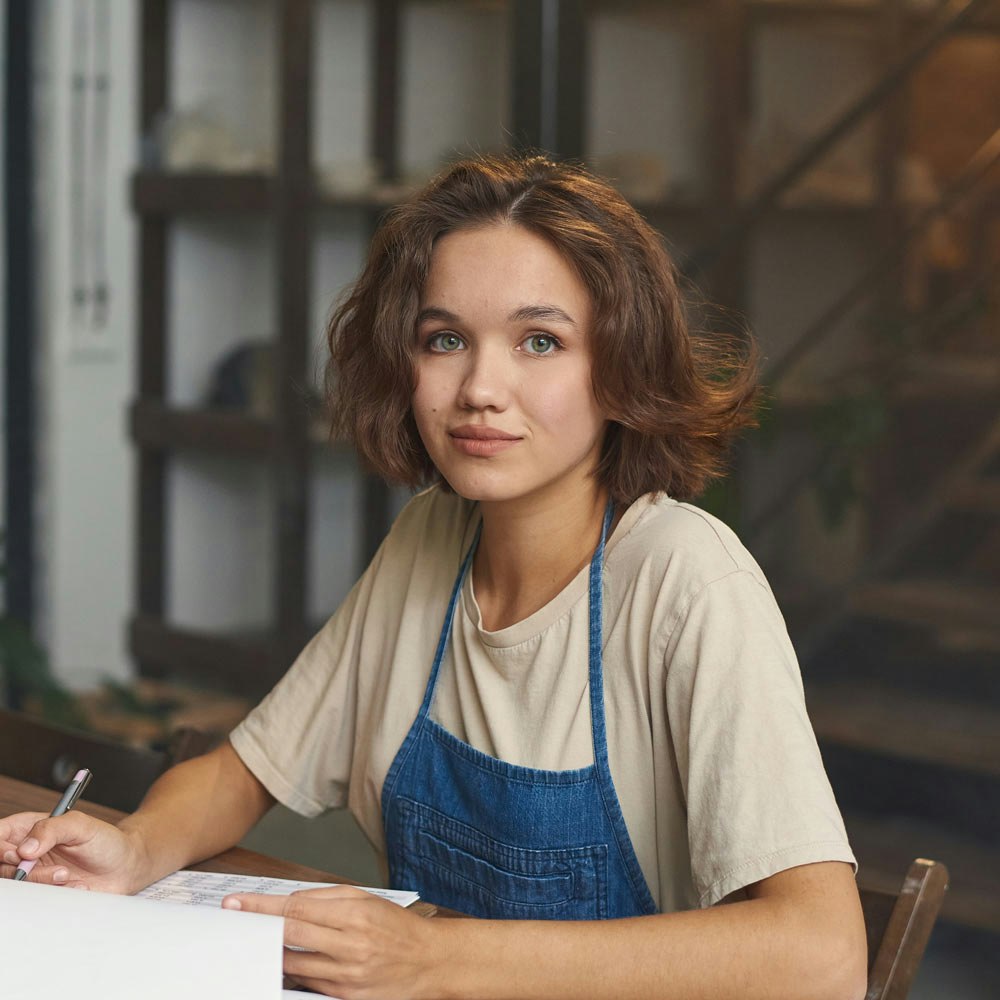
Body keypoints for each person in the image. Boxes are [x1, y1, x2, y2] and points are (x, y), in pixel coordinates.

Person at [1, 155, 866, 1000]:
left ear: (621, 366)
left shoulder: (686, 581)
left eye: (540, 341)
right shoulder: (431, 540)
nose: (480, 388)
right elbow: (239, 772)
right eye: (446, 339)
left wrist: (435, 961)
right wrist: (135, 849)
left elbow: (822, 958)